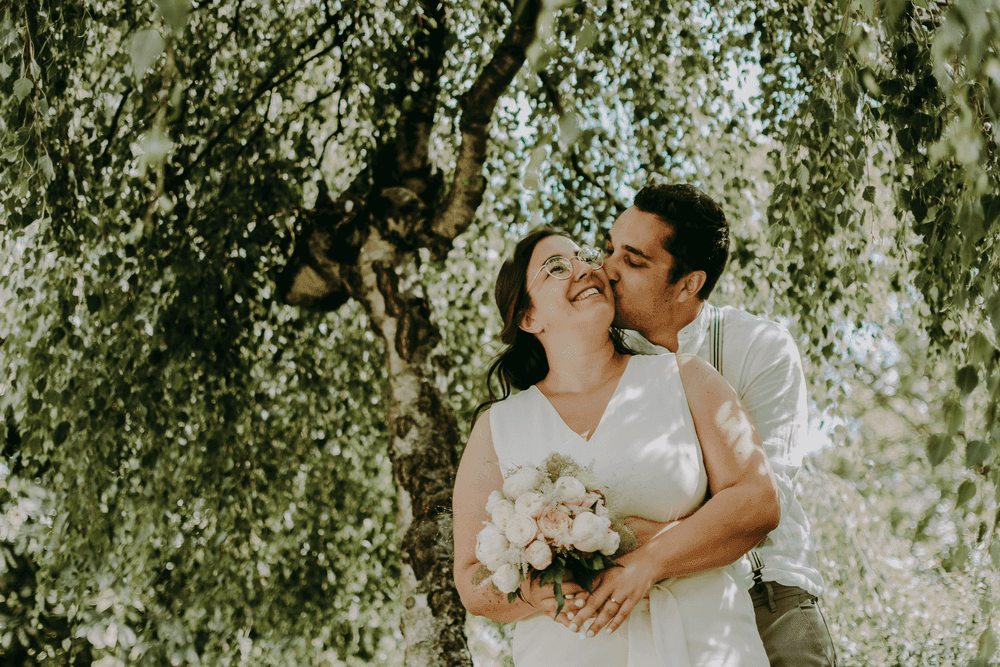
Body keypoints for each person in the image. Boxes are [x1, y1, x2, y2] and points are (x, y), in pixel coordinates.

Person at [452, 228, 780, 666]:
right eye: (556, 267)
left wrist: (647, 561)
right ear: (528, 317)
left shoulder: (685, 378)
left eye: (586, 257)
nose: (585, 269)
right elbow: (472, 580)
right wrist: (533, 589)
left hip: (705, 647)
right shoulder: (498, 426)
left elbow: (758, 502)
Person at [589, 183, 838, 667]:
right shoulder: (600, 357)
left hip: (769, 600)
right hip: (655, 609)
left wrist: (636, 529)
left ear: (688, 283)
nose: (607, 271)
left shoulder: (759, 348)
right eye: (609, 249)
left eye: (633, 261)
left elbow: (765, 504)